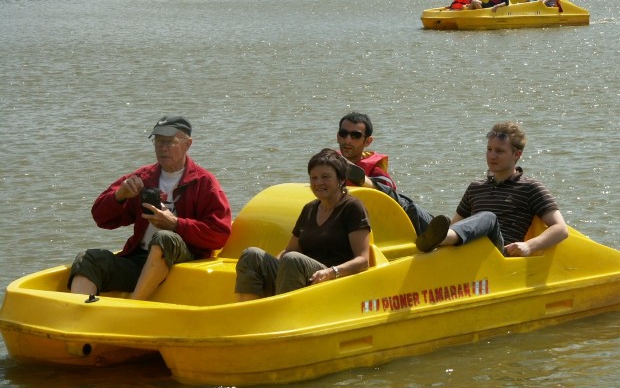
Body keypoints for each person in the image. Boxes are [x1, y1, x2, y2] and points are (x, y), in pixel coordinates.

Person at [68, 115, 232, 300]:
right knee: (88, 259)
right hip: (140, 260)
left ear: (188, 144)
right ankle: (79, 315)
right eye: (158, 142)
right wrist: (119, 196)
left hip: (185, 264)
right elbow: (101, 217)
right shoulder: (143, 177)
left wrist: (175, 224)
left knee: (164, 238)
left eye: (170, 142)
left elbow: (220, 234)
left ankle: (132, 306)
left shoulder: (204, 182)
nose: (162, 148)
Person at [416, 121, 568, 257]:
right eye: (489, 149)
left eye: (499, 151)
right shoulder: (476, 187)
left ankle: (440, 239)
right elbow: (455, 225)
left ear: (517, 154)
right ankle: (427, 240)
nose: (492, 156)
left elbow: (561, 229)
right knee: (409, 206)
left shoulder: (530, 188)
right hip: (467, 251)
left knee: (488, 217)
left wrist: (529, 245)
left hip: (497, 256)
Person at [235, 149, 371, 301]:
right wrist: (268, 268)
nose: (318, 182)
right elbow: (289, 250)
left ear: (340, 179)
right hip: (302, 276)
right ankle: (248, 311)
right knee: (252, 255)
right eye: (314, 178)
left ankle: (282, 313)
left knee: (293, 260)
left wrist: (331, 272)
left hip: (331, 279)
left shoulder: (352, 207)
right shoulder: (309, 209)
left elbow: (363, 260)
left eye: (325, 177)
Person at [336, 112, 434, 235]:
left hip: (374, 218)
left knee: (402, 201)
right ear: (338, 136)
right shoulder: (327, 162)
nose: (348, 140)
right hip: (342, 218)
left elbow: (390, 201)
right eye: (343, 134)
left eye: (355, 135)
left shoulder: (375, 170)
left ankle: (437, 229)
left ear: (367, 141)